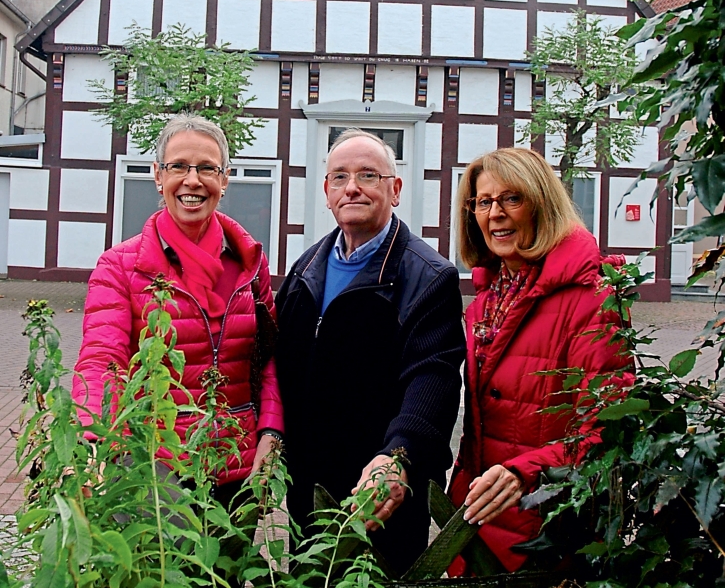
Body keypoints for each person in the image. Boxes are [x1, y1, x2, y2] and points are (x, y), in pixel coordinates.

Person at [275, 128, 466, 576]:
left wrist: (400, 454)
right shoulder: (306, 270)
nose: (352, 187)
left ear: (394, 189)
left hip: (382, 488)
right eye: (339, 177)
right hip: (310, 484)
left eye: (368, 175)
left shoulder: (427, 276)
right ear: (326, 192)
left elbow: (434, 376)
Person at [73, 114, 284, 502]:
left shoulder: (250, 264)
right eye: (178, 167)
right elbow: (103, 360)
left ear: (224, 179)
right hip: (155, 467)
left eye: (207, 168)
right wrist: (94, 438)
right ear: (158, 176)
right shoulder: (119, 266)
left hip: (238, 467)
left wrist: (271, 435)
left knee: (229, 565)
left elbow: (266, 360)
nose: (192, 180)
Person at [448, 148, 626, 574]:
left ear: (541, 205)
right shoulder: (487, 301)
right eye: (484, 202)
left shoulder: (590, 298)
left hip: (546, 524)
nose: (496, 214)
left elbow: (606, 429)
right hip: (478, 518)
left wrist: (522, 472)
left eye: (512, 198)